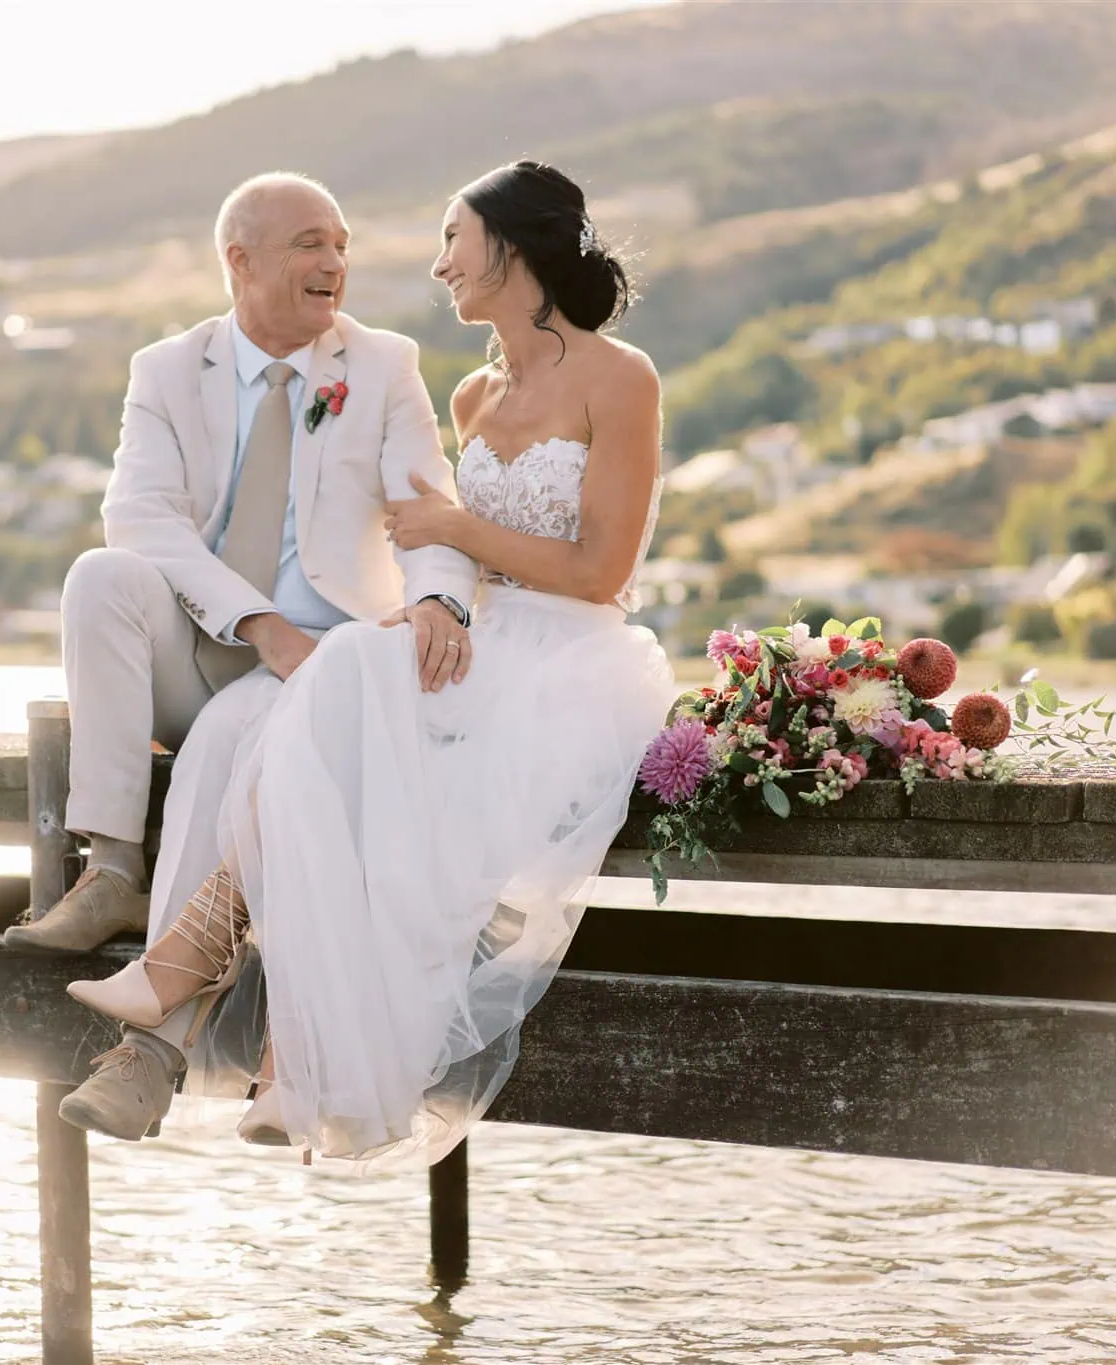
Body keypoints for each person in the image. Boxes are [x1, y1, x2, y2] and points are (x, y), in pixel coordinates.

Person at [66, 161, 678, 1164]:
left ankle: (202, 983)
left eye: (453, 240)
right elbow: (442, 552)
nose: (438, 266)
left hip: (570, 662)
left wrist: (452, 538)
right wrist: (433, 594)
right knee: (324, 699)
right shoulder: (474, 393)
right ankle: (281, 1052)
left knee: (338, 685)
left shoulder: (621, 377)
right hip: (481, 644)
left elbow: (597, 569)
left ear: (510, 248)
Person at [7, 171, 478, 1144]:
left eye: (341, 244)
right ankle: (111, 864)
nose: (334, 262)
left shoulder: (382, 364)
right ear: (239, 260)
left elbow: (429, 511)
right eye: (310, 243)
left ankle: (149, 1054)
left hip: (325, 662)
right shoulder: (167, 368)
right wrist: (258, 623)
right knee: (101, 574)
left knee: (219, 751)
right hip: (213, 644)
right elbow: (139, 516)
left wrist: (438, 599)